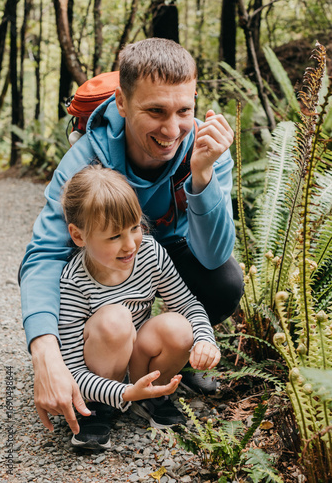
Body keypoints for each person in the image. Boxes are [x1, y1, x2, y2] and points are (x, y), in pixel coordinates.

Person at [20, 37, 243, 441]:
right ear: (122, 104)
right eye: (155, 110)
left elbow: (213, 257)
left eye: (184, 111)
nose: (172, 129)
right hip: (102, 260)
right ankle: (97, 373)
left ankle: (172, 364)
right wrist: (44, 351)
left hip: (171, 246)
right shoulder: (84, 160)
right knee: (110, 319)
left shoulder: (207, 147)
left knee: (224, 281)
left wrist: (202, 176)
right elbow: (45, 256)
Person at [58, 165, 220, 448]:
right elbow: (72, 371)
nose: (130, 244)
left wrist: (206, 339)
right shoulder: (74, 281)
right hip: (100, 368)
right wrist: (124, 392)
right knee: (115, 320)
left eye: (134, 228)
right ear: (79, 236)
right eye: (113, 237)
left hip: (138, 359)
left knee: (180, 328)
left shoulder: (150, 253)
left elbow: (187, 304)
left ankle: (154, 394)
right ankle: (97, 408)